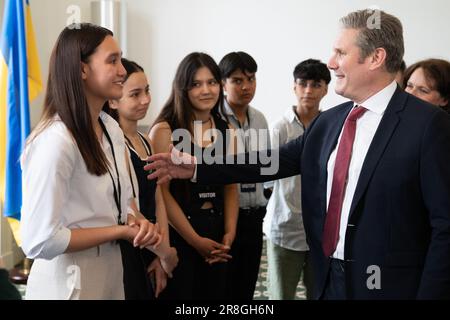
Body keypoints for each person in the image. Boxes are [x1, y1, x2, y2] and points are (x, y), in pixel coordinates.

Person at [146, 10, 450, 299]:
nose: (331, 63)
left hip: (391, 285)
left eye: (341, 53)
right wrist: (199, 166)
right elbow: (270, 160)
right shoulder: (330, 122)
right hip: (329, 278)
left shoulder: (428, 125)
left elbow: (444, 227)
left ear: (375, 57)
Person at [20, 23, 175, 300]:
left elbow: (121, 204)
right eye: (112, 61)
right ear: (82, 70)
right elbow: (40, 240)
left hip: (110, 271)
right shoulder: (55, 141)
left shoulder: (109, 128)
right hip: (68, 282)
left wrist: (138, 224)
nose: (122, 71)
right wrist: (119, 230)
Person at [149, 52, 239, 300]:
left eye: (211, 82)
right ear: (183, 88)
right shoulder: (164, 130)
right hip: (180, 232)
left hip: (218, 231)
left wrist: (229, 232)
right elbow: (162, 195)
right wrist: (195, 240)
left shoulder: (227, 130)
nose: (206, 90)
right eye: (196, 84)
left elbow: (231, 186)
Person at [107, 58, 177, 299]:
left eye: (146, 91)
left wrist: (162, 254)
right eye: (135, 94)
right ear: (113, 99)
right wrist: (167, 254)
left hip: (154, 243)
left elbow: (159, 200)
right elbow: (131, 211)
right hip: (134, 245)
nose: (146, 99)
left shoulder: (145, 139)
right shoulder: (115, 146)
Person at [264, 59, 330, 300]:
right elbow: (268, 179)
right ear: (294, 86)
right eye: (303, 84)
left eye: (316, 84)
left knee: (319, 293)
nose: (309, 91)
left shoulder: (332, 126)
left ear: (326, 89)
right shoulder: (279, 128)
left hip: (320, 232)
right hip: (284, 227)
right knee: (280, 296)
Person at [218, 51, 269, 300]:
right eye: (237, 80)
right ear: (223, 83)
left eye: (251, 79)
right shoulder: (213, 119)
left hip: (254, 216)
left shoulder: (259, 119)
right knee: (222, 288)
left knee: (247, 287)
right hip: (224, 220)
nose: (246, 86)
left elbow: (266, 166)